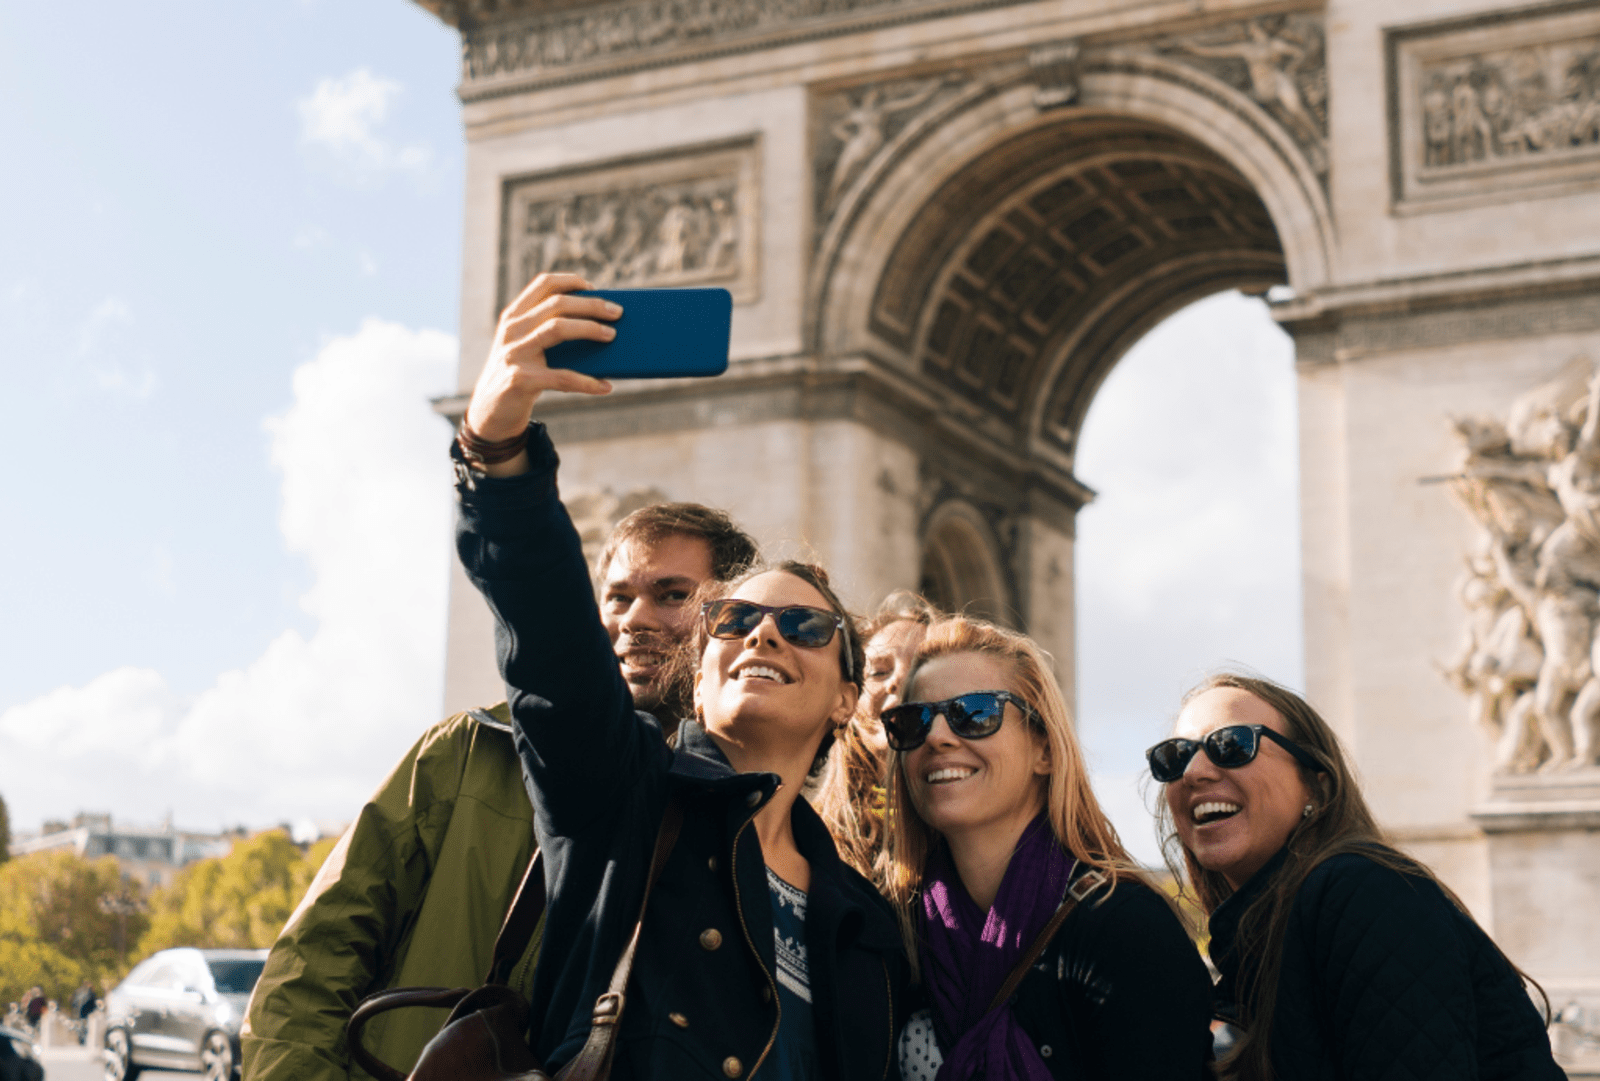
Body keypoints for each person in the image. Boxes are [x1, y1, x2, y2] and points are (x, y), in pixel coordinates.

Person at [450, 271, 908, 1079]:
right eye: (734, 619)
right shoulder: (620, 793)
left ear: (848, 695)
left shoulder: (866, 918)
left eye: (803, 624)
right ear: (700, 674)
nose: (764, 629)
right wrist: (496, 450)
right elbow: (553, 641)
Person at [241, 498, 758, 1081]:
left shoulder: (752, 818)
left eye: (671, 594)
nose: (634, 618)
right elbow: (312, 960)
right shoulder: (467, 751)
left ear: (733, 619)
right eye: (617, 596)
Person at [1151, 672, 1565, 1081]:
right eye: (1175, 756)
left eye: (1232, 745)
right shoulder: (1273, 929)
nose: (1194, 771)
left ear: (1317, 786)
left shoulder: (1363, 891)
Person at [882, 615, 1214, 1080]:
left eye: (975, 713)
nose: (936, 737)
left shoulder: (1125, 927)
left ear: (1045, 749)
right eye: (913, 721)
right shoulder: (892, 933)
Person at [813, 591, 938, 885]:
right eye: (879, 672)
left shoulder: (971, 826)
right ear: (848, 704)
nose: (899, 680)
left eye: (921, 668)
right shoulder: (808, 833)